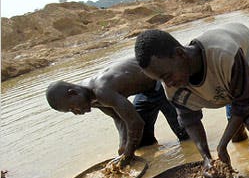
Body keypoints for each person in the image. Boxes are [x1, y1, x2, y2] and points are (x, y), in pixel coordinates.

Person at [134, 23, 249, 178]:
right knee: (235, 131)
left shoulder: (224, 54)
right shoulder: (171, 86)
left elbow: (245, 105)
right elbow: (190, 120)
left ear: (180, 54)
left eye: (167, 76)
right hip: (227, 76)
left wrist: (222, 145)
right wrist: (206, 158)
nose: (167, 84)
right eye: (160, 80)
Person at [46, 58, 189, 167]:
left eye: (73, 108)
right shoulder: (89, 98)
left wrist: (128, 154)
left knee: (184, 134)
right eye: (71, 112)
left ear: (73, 93)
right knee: (142, 143)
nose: (77, 113)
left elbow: (135, 122)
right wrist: (123, 146)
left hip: (160, 82)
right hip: (145, 92)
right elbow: (119, 118)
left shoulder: (101, 90)